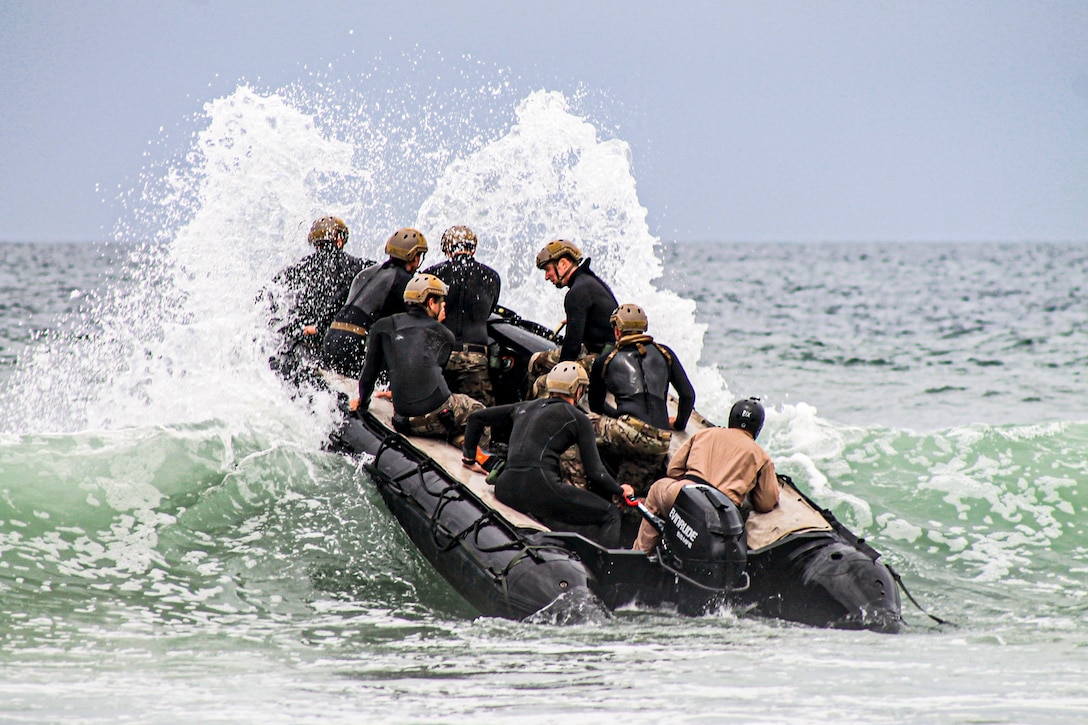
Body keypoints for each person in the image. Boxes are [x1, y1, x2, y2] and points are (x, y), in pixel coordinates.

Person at [461, 362, 635, 548]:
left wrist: (469, 459)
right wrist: (620, 490)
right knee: (611, 514)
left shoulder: (523, 407)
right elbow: (595, 472)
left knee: (551, 496)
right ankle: (606, 571)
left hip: (505, 488)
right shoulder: (579, 418)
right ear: (577, 390)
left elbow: (476, 417)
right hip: (540, 490)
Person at [632, 398, 781, 554]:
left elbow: (673, 470)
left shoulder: (705, 433)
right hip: (722, 514)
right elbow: (766, 502)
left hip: (687, 493)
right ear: (757, 428)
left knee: (658, 488)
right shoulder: (761, 456)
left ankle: (640, 554)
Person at [353, 273, 484, 443]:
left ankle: (455, 436)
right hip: (437, 415)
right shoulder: (445, 334)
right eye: (441, 301)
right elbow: (432, 375)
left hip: (403, 419)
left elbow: (369, 373)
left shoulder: (383, 326)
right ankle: (472, 457)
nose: (444, 305)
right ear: (431, 302)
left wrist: (362, 403)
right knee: (479, 411)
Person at [587, 302, 697, 493]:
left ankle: (578, 485)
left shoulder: (605, 360)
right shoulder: (665, 353)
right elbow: (688, 395)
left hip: (628, 431)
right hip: (660, 441)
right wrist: (679, 424)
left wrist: (619, 415)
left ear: (617, 331)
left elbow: (595, 405)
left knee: (577, 424)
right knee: (628, 492)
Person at [264, 216, 370, 379]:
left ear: (315, 243)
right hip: (337, 349)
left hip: (302, 345)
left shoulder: (296, 270)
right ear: (340, 240)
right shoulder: (358, 268)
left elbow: (267, 297)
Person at [323, 227, 428, 377]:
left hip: (331, 338)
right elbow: (416, 321)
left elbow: (336, 303)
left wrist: (320, 327)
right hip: (354, 344)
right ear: (415, 257)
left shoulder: (367, 272)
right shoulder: (403, 280)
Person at [422, 225, 502, 405]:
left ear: (447, 249)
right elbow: (488, 311)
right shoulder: (492, 277)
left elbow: (421, 315)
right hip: (475, 356)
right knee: (479, 414)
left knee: (437, 409)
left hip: (440, 354)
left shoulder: (432, 274)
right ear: (473, 248)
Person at [528, 239, 618, 389]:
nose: (546, 276)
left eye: (548, 270)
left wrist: (559, 376)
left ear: (563, 264)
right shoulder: (590, 282)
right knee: (535, 361)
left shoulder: (577, 292)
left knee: (542, 385)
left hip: (602, 357)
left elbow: (572, 346)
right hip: (601, 349)